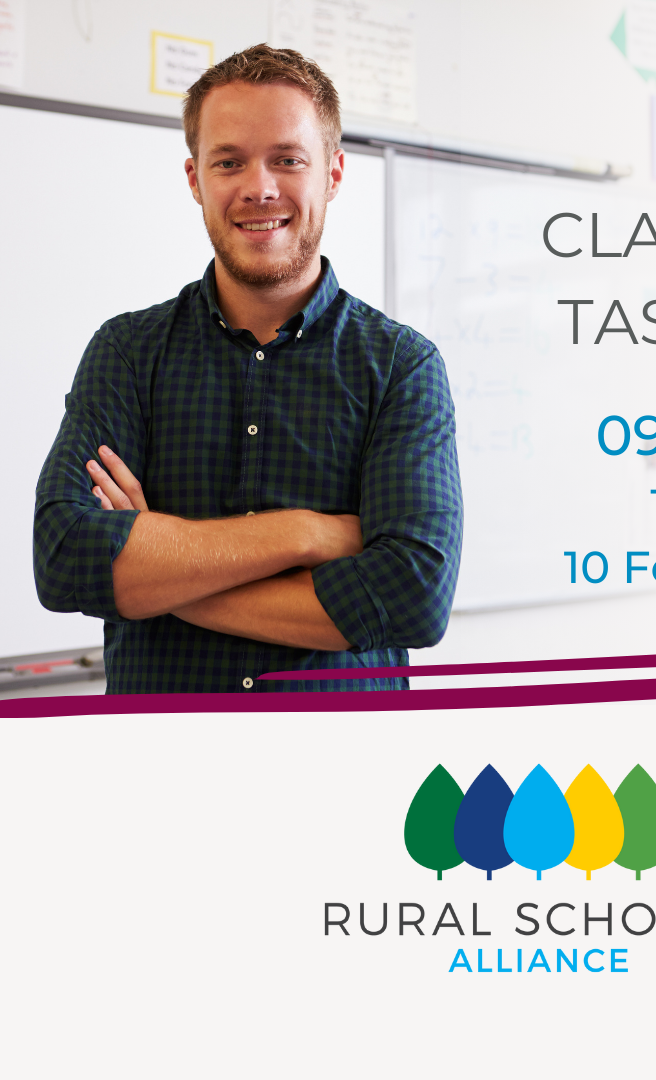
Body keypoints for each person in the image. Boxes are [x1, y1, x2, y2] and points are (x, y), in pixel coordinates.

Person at [33, 45, 463, 694]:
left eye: (287, 159)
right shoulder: (126, 352)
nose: (259, 188)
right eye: (229, 161)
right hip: (160, 752)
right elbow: (65, 560)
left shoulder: (402, 366)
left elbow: (412, 598)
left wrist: (163, 577)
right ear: (195, 179)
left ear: (334, 173)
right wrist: (306, 533)